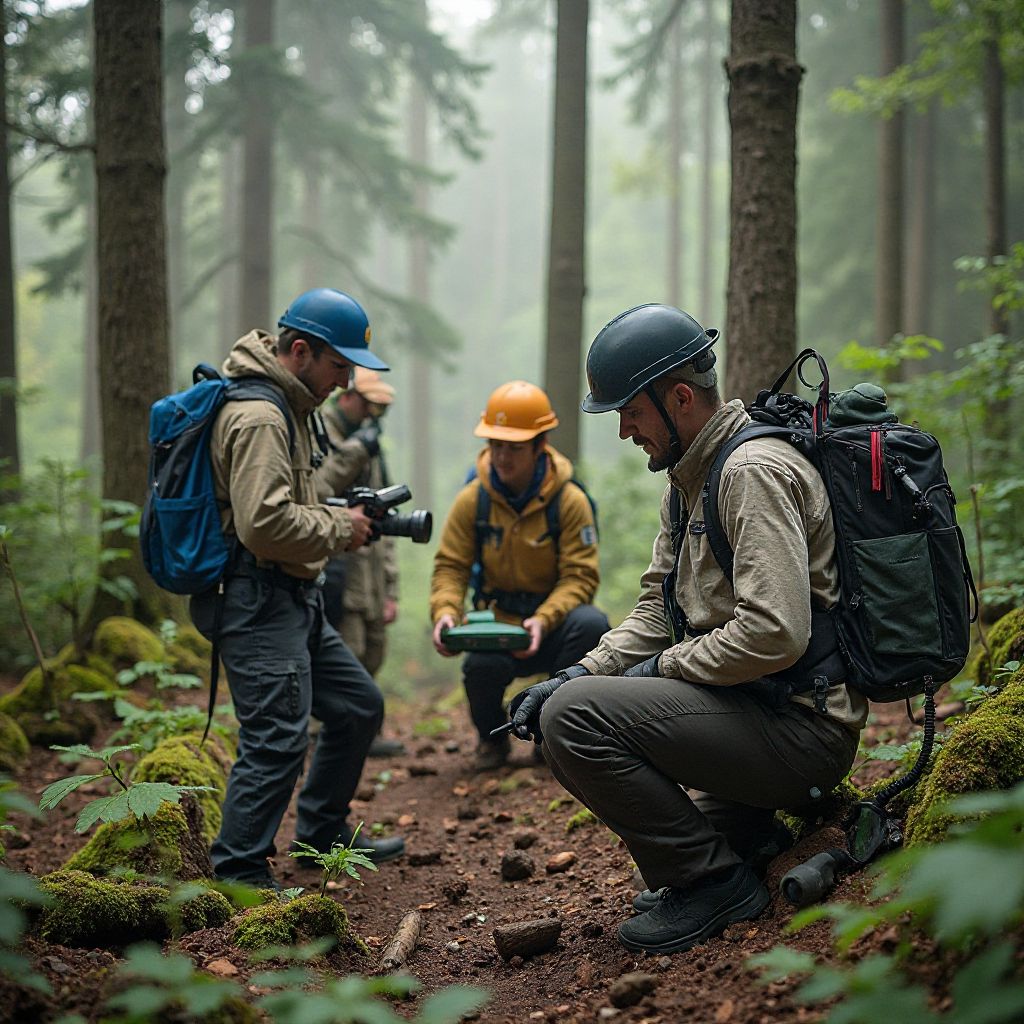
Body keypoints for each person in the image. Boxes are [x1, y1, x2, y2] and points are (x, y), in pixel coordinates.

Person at [508, 304, 867, 954]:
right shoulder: (689, 483)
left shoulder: (749, 473)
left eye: (631, 412)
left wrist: (657, 671)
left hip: (803, 732)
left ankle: (714, 886)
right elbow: (655, 611)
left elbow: (774, 633)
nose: (624, 431)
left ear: (678, 398)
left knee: (574, 722)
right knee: (574, 699)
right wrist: (579, 671)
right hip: (758, 712)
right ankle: (744, 841)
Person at [189, 287, 405, 888]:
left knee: (358, 706)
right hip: (254, 600)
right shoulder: (260, 416)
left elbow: (285, 506)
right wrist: (343, 526)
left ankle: (318, 835)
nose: (345, 381)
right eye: (340, 366)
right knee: (278, 737)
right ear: (301, 351)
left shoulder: (289, 407)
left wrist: (340, 515)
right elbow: (262, 524)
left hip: (290, 596)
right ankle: (239, 871)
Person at [430, 380, 609, 771]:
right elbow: (451, 566)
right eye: (496, 445)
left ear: (539, 445)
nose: (502, 457)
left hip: (553, 624)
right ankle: (491, 742)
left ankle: (551, 739)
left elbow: (580, 577)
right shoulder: (472, 500)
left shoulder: (569, 501)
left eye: (514, 447)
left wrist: (544, 619)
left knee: (592, 623)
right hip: (498, 625)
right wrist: (445, 611)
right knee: (480, 668)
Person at [316, 368, 406, 758]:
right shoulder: (323, 431)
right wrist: (357, 449)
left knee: (373, 652)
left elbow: (380, 516)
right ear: (348, 396)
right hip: (338, 571)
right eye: (368, 405)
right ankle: (337, 733)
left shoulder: (369, 442)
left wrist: (390, 589)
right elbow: (319, 488)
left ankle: (361, 730)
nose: (372, 416)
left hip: (369, 572)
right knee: (347, 654)